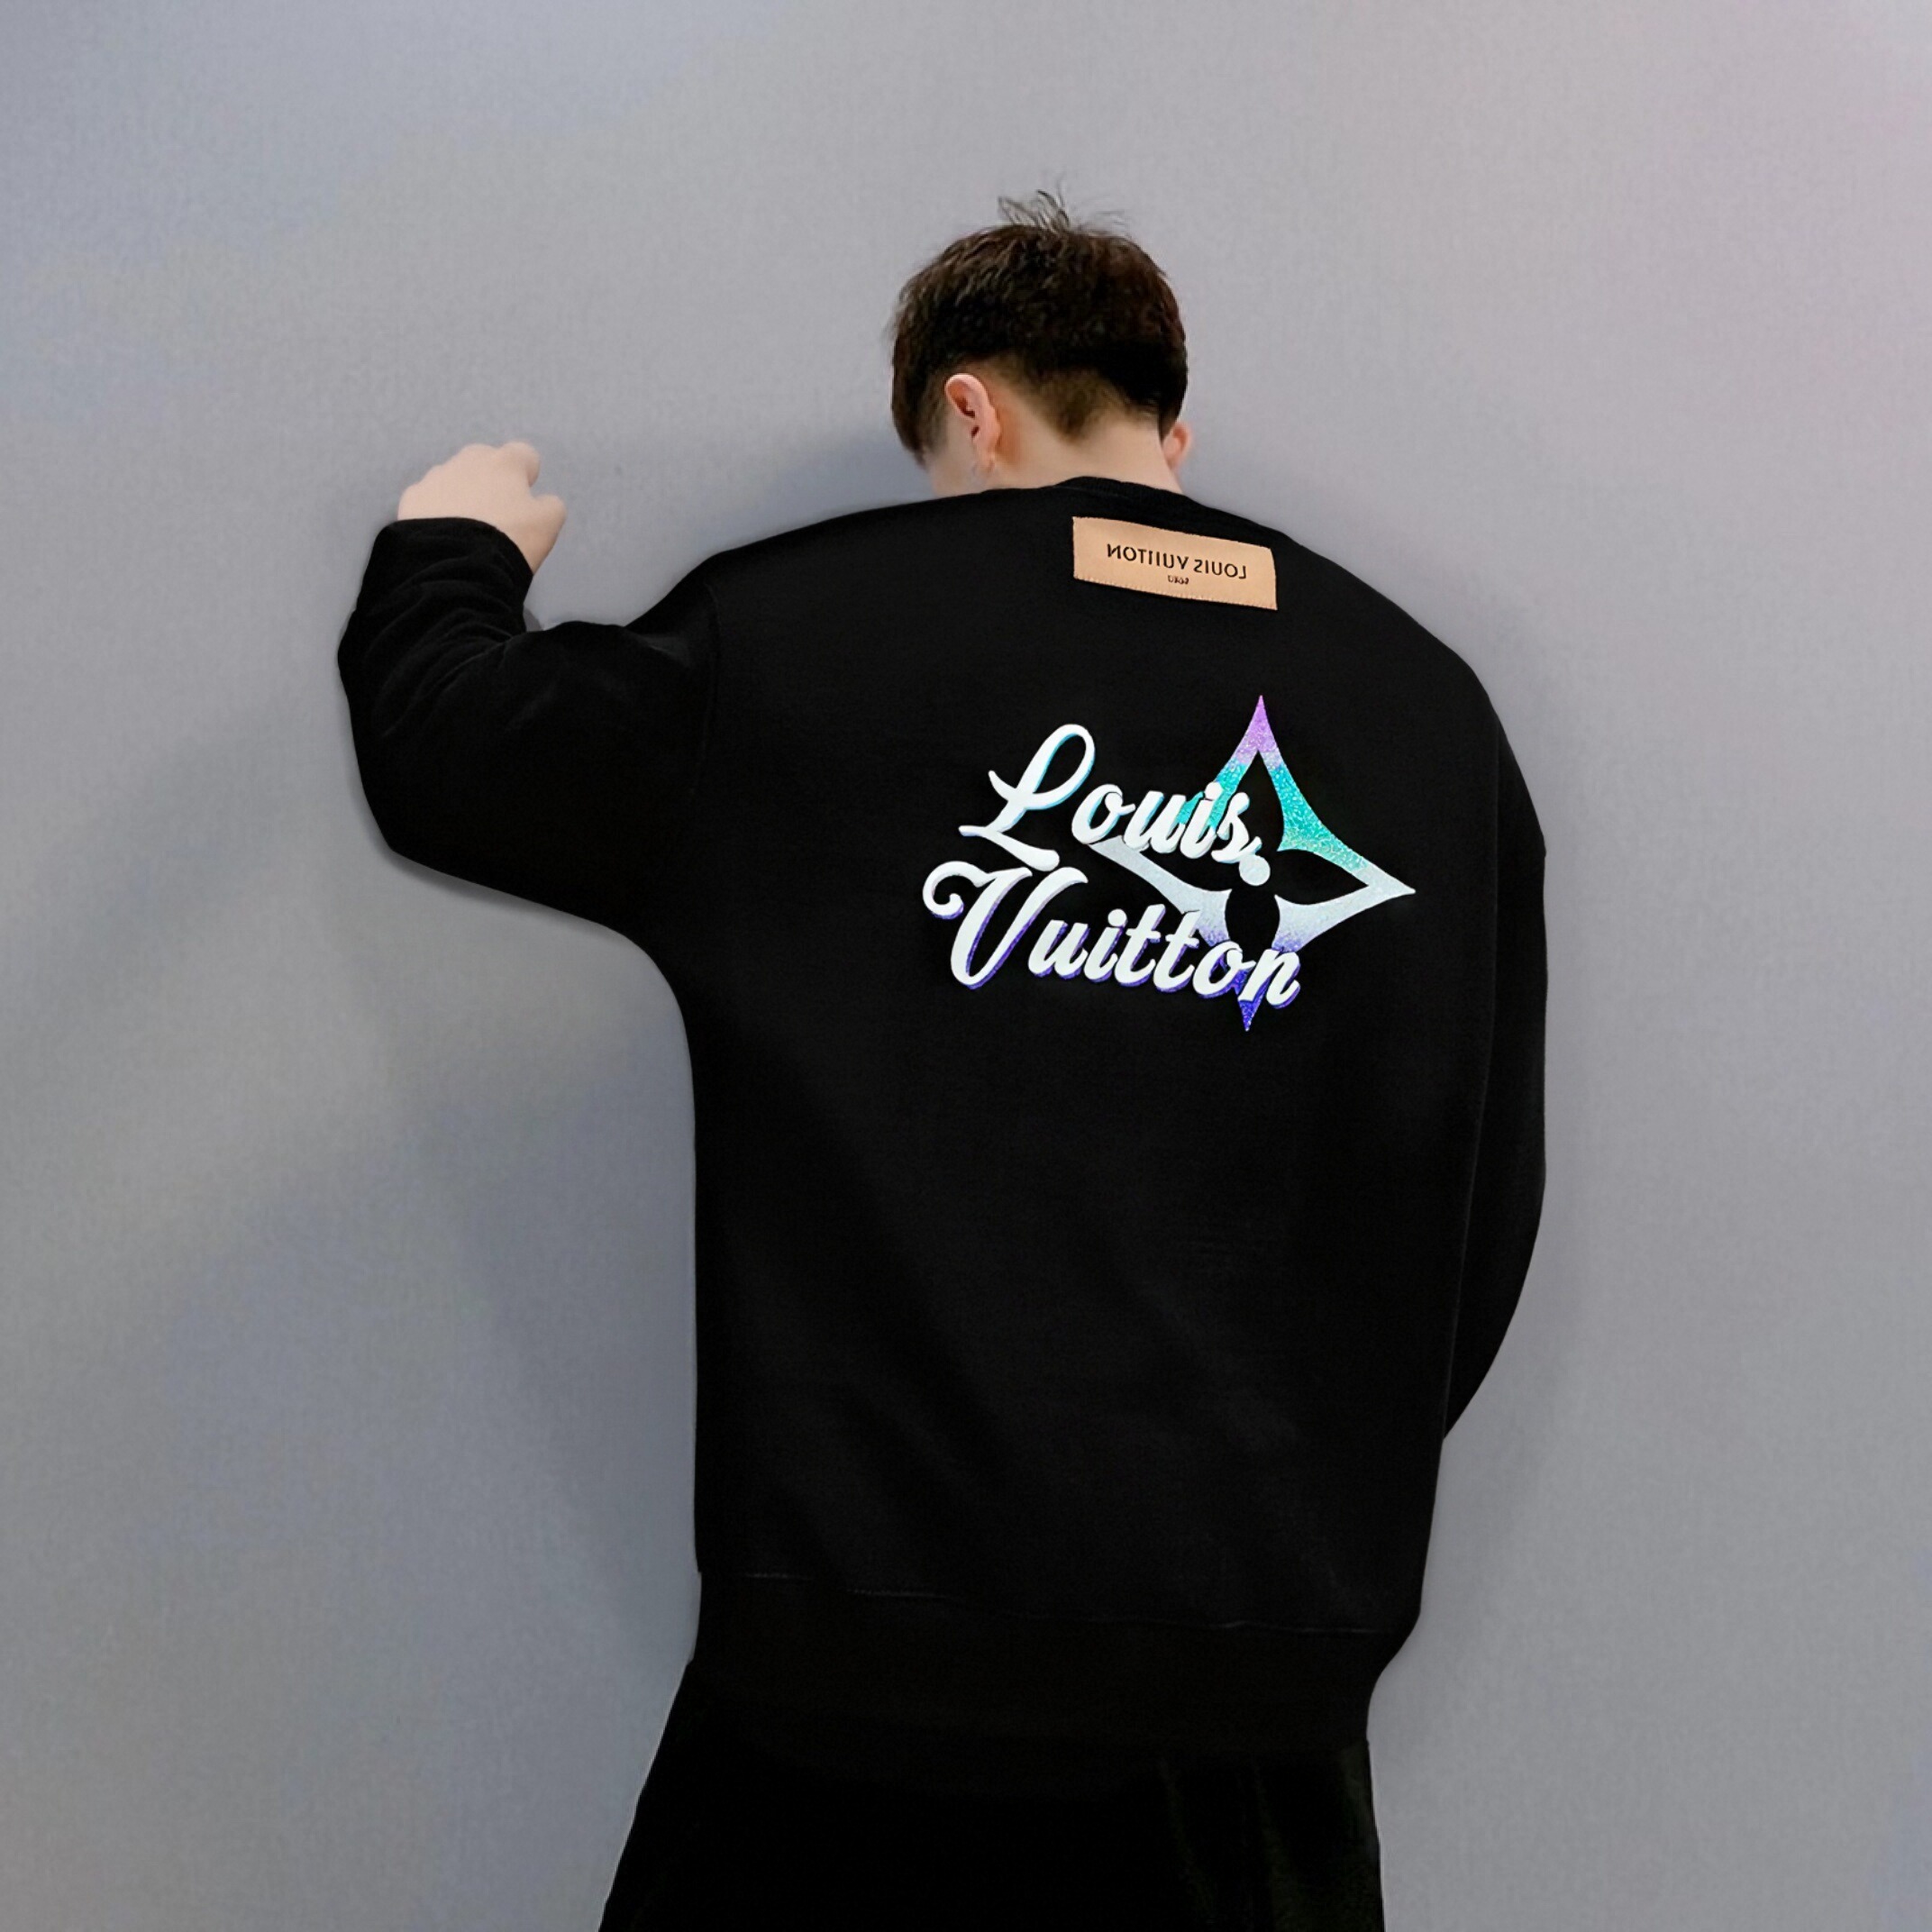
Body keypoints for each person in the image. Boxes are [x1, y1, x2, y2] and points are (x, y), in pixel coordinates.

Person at [336, 190, 1547, 1929]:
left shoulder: (813, 633)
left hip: (856, 1688)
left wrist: (452, 549)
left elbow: (450, 746)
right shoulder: (1433, 714)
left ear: (970, 409)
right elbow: (1474, 1215)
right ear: (1172, 431)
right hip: (1250, 1710)